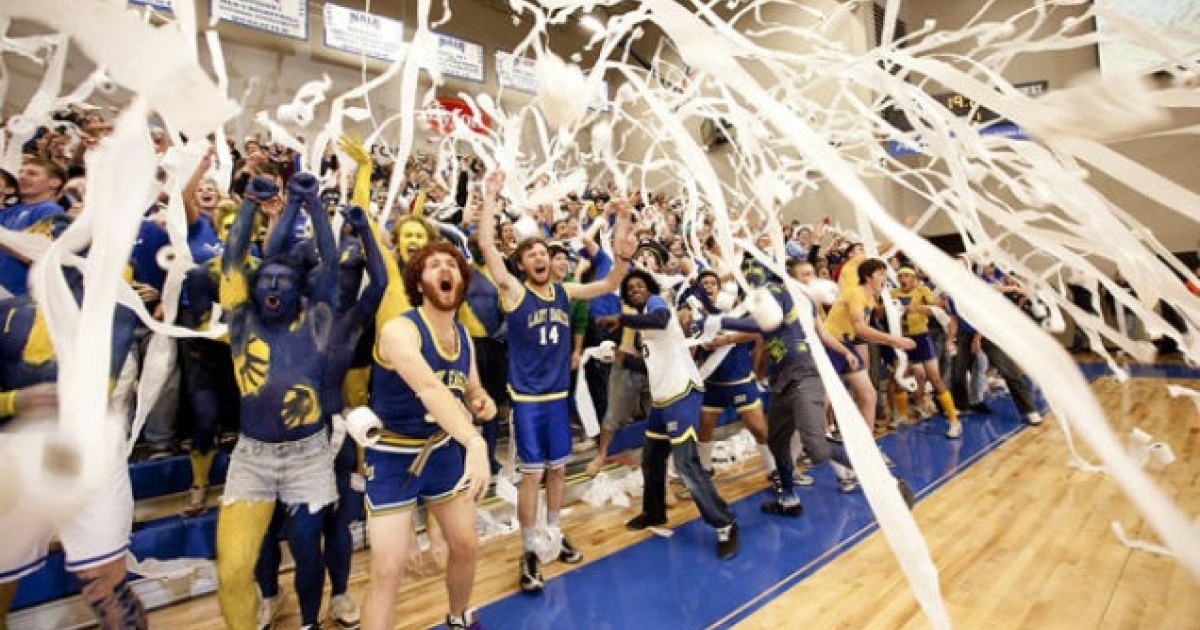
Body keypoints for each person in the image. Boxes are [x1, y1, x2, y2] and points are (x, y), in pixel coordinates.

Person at [477, 170, 635, 593]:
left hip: (558, 396)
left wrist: (623, 236)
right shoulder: (513, 291)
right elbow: (487, 245)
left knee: (559, 472)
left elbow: (611, 282)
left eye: (543, 252)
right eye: (530, 254)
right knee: (532, 476)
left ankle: (553, 532)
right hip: (528, 401)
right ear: (521, 264)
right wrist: (490, 196)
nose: (539, 257)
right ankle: (529, 548)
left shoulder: (565, 292)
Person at [215, 172, 339, 630]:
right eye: (265, 278)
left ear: (298, 290)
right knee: (232, 569)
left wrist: (313, 204)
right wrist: (250, 202)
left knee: (308, 552)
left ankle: (308, 623)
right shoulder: (240, 320)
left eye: (283, 280)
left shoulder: (318, 319)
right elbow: (232, 260)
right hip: (251, 458)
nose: (272, 284)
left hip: (309, 457)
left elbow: (329, 262)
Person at [352, 241, 493, 630]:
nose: (445, 269)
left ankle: (458, 616)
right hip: (393, 455)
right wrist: (475, 440)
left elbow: (470, 387)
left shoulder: (463, 335)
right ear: (418, 282)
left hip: (440, 450)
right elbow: (430, 388)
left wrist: (481, 400)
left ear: (462, 281)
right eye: (434, 265)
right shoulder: (399, 330)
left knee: (465, 544)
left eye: (452, 264)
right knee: (388, 570)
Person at [0, 262, 145, 629]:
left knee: (108, 585)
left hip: (86, 447)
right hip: (14, 450)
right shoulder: (6, 315)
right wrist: (16, 401)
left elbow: (96, 392)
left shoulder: (116, 312)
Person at [597, 270, 739, 559]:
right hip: (663, 398)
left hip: (682, 392)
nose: (636, 290)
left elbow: (661, 319)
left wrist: (622, 319)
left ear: (649, 287)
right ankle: (654, 513)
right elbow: (650, 365)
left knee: (685, 463)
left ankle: (724, 523)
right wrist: (621, 358)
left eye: (640, 285)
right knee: (651, 459)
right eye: (630, 288)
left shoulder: (656, 305)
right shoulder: (643, 325)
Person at [890, 266, 962, 438]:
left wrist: (918, 308)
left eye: (907, 276)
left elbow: (941, 305)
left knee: (935, 379)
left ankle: (954, 421)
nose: (903, 279)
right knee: (899, 379)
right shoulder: (892, 293)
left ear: (913, 278)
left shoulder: (922, 291)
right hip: (902, 339)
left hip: (921, 338)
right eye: (900, 276)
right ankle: (902, 416)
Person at [0, 157, 66, 296]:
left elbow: (41, 254)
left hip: (19, 296)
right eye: (21, 172)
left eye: (32, 174)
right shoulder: (11, 211)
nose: (22, 177)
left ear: (54, 182)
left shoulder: (49, 210)